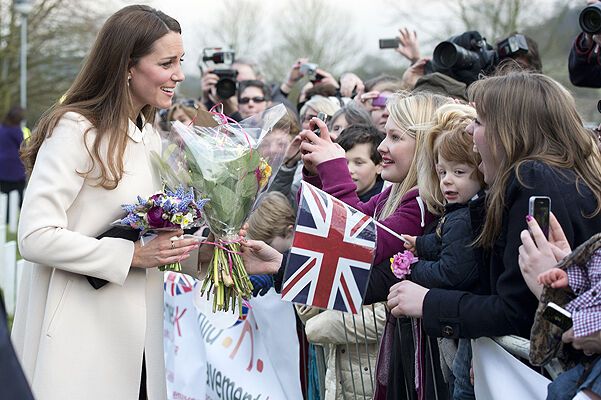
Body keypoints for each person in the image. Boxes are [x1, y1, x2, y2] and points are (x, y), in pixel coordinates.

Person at [13, 5, 200, 400]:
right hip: (78, 341)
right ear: (126, 67)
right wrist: (130, 255)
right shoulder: (75, 129)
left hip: (140, 348)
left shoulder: (149, 136)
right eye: (167, 62)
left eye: (180, 61)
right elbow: (34, 236)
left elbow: (154, 242)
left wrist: (218, 250)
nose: (179, 75)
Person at [386, 72, 601, 364]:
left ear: (508, 131)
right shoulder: (567, 177)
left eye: (479, 122)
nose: (471, 134)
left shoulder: (531, 177)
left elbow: (518, 312)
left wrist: (429, 303)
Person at [400, 104, 483, 400]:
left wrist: (413, 269)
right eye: (442, 171)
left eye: (459, 172)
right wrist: (419, 244)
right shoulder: (458, 213)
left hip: (469, 328)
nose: (447, 179)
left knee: (462, 387)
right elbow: (442, 241)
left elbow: (452, 271)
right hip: (465, 325)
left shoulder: (463, 218)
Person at [520, 216, 601, 400]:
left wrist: (548, 296)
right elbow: (590, 281)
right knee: (558, 389)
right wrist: (568, 276)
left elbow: (571, 328)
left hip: (583, 339)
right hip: (580, 338)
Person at [335, 124, 385, 202]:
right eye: (343, 161)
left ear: (379, 166)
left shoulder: (385, 204)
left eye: (358, 163)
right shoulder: (326, 191)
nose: (349, 170)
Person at [0, 106, 27, 220]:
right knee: (20, 195)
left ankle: (5, 219)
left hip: (2, 168)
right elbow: (22, 147)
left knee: (4, 195)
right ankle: (25, 217)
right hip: (15, 168)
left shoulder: (1, 128)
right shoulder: (16, 131)